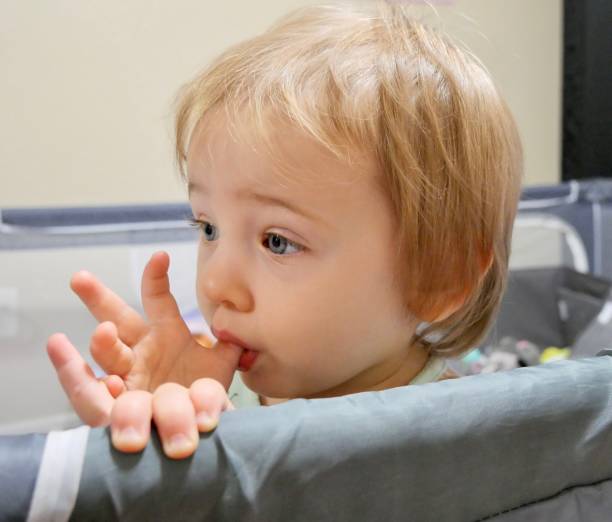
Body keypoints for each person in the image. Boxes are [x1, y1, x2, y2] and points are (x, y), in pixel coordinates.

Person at [47, 0, 522, 460]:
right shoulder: (208, 396)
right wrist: (175, 460)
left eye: (277, 241)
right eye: (208, 227)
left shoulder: (462, 446)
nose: (215, 285)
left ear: (439, 277)